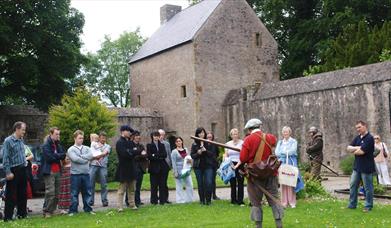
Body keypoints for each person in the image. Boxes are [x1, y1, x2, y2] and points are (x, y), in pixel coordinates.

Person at [240, 118, 283, 228]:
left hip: (255, 176)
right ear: (260, 127)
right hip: (270, 174)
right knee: (274, 200)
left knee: (256, 202)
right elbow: (272, 149)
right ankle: (279, 225)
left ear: (249, 129)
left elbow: (243, 158)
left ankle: (258, 226)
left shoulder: (248, 140)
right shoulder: (270, 137)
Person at [67, 130, 102, 216]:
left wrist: (82, 157)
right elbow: (75, 159)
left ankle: (88, 209)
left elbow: (91, 155)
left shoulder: (87, 148)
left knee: (87, 192)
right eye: (79, 138)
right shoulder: (71, 149)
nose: (81, 140)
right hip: (75, 175)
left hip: (86, 173)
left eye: (82, 138)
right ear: (75, 138)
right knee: (74, 193)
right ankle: (73, 210)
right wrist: (85, 159)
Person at [346, 120, 376, 212]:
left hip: (366, 167)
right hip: (357, 167)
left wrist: (356, 149)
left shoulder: (369, 138)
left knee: (367, 188)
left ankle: (368, 206)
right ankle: (352, 205)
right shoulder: (358, 138)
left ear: (364, 126)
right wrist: (359, 147)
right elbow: (348, 148)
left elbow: (360, 152)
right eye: (357, 128)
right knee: (353, 185)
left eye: (359, 127)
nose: (358, 129)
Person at [2, 121, 28, 221]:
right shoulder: (8, 141)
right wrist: (8, 172)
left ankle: (22, 215)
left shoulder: (21, 140)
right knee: (11, 195)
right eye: (23, 130)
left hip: (22, 169)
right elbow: (5, 158)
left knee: (23, 193)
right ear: (17, 129)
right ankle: (8, 217)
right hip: (13, 170)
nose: (24, 132)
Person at [275, 126, 304, 208]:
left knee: (291, 182)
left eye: (286, 132)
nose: (285, 133)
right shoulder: (280, 142)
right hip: (281, 163)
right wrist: (285, 152)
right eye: (284, 132)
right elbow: (277, 152)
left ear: (289, 132)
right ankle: (284, 202)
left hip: (291, 162)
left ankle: (292, 202)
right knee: (283, 182)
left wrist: (283, 152)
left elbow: (293, 151)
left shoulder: (293, 141)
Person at [41, 127, 66, 218]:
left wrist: (56, 155)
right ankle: (47, 211)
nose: (58, 136)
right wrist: (58, 156)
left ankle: (53, 210)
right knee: (50, 192)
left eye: (59, 134)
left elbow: (63, 155)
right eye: (56, 134)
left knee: (57, 192)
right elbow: (49, 158)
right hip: (49, 171)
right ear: (51, 134)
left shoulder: (58, 144)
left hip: (57, 170)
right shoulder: (46, 145)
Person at [116, 125, 138, 211]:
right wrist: (132, 152)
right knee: (122, 189)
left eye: (130, 131)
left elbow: (136, 152)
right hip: (123, 168)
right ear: (123, 131)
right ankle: (120, 207)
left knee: (132, 189)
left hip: (131, 167)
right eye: (128, 131)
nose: (129, 133)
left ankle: (132, 204)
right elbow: (124, 154)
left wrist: (132, 152)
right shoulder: (119, 142)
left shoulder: (130, 142)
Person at [191, 127, 215, 205]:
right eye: (199, 133)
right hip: (198, 167)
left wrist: (206, 151)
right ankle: (202, 201)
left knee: (208, 182)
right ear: (197, 134)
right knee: (200, 184)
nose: (201, 134)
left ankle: (208, 200)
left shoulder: (208, 143)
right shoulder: (194, 144)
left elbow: (212, 154)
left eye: (203, 133)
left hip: (208, 166)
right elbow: (192, 156)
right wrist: (198, 153)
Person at [147, 131, 169, 205]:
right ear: (152, 137)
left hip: (163, 167)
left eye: (157, 136)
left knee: (162, 185)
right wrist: (158, 156)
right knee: (154, 185)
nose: (156, 137)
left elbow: (164, 155)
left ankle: (162, 200)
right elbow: (149, 156)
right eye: (154, 136)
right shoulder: (149, 145)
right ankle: (154, 201)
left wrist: (155, 155)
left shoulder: (162, 145)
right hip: (153, 168)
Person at [89, 132, 110, 207]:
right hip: (93, 165)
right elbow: (90, 155)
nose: (103, 139)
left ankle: (104, 200)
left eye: (104, 138)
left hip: (102, 166)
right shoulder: (94, 144)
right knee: (91, 183)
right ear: (99, 138)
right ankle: (90, 201)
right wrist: (96, 156)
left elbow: (105, 153)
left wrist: (97, 156)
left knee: (104, 184)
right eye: (102, 138)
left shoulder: (108, 146)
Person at [224, 128, 244, 205]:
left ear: (238, 135)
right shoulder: (228, 144)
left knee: (240, 182)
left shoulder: (242, 143)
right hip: (231, 164)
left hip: (240, 163)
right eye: (233, 134)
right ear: (231, 135)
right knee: (232, 182)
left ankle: (240, 201)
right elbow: (226, 154)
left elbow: (243, 155)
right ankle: (233, 200)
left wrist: (238, 165)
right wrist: (227, 163)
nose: (235, 135)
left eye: (236, 134)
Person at [171, 137, 193, 203]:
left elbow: (189, 159)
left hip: (186, 170)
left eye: (180, 141)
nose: (178, 142)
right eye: (177, 141)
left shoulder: (186, 150)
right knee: (179, 186)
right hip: (178, 170)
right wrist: (175, 172)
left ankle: (189, 199)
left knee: (190, 185)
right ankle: (180, 200)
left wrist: (190, 165)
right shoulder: (174, 151)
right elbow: (173, 162)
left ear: (182, 142)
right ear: (175, 143)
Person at [133, 131, 148, 207]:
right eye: (136, 136)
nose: (138, 137)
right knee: (132, 186)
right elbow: (133, 157)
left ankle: (138, 200)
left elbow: (145, 155)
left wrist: (139, 155)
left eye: (139, 136)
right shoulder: (131, 145)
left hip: (141, 168)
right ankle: (130, 201)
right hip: (134, 167)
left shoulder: (141, 145)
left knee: (138, 186)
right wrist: (140, 154)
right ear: (133, 137)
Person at [158, 129, 172, 204]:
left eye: (162, 135)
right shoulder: (155, 144)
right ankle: (160, 198)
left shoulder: (167, 144)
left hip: (166, 164)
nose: (161, 136)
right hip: (157, 165)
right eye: (160, 135)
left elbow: (169, 153)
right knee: (158, 182)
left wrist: (170, 164)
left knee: (164, 182)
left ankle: (165, 198)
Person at [207, 131, 220, 200]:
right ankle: (208, 195)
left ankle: (214, 195)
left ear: (212, 137)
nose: (209, 138)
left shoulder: (215, 144)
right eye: (208, 137)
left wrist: (214, 159)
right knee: (208, 180)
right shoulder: (205, 144)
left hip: (213, 164)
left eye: (210, 137)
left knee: (213, 180)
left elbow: (217, 153)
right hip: (206, 164)